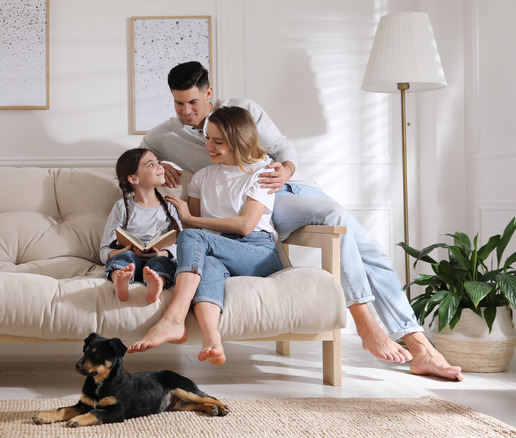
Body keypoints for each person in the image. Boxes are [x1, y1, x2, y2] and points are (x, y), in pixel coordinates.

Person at [135, 61, 463, 381]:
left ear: (209, 92)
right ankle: (398, 340)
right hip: (253, 205)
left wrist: (285, 171)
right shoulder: (170, 135)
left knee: (366, 247)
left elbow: (281, 147)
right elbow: (142, 151)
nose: (186, 111)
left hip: (284, 188)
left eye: (193, 101)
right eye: (179, 103)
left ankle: (407, 341)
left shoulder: (242, 109)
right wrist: (161, 163)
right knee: (342, 225)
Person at [128, 106, 283, 365]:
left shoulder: (262, 173)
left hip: (257, 252)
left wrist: (189, 219)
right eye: (207, 138)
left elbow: (245, 225)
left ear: (238, 140)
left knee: (195, 239)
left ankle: (174, 318)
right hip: (218, 251)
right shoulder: (201, 178)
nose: (209, 146)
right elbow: (194, 236)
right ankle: (213, 339)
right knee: (207, 263)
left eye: (218, 141)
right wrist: (162, 248)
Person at [100, 148, 182, 303]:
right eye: (151, 164)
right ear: (134, 178)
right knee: (124, 258)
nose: (160, 167)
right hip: (130, 259)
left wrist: (162, 254)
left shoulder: (169, 206)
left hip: (158, 257)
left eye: (158, 162)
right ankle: (120, 280)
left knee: (162, 264)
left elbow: (182, 245)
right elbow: (104, 250)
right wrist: (123, 250)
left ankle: (157, 284)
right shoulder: (121, 207)